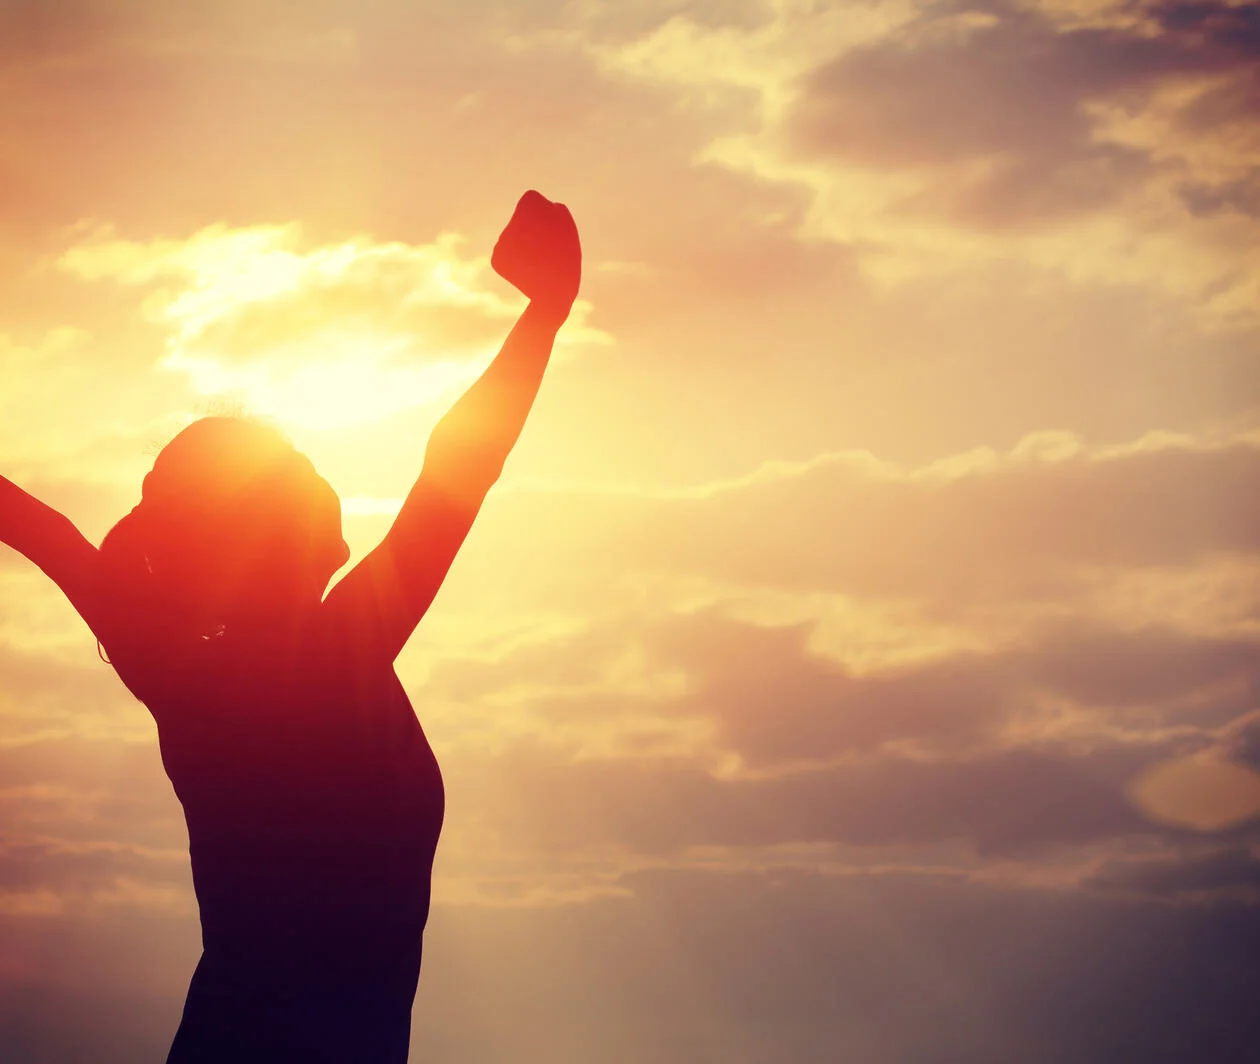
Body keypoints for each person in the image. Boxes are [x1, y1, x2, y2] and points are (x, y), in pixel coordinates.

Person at [0, 190, 581, 1062]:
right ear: (280, 523)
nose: (321, 478)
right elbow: (459, 467)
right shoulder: (334, 652)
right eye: (296, 469)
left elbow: (40, 529)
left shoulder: (176, 666)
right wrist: (543, 315)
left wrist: (545, 314)